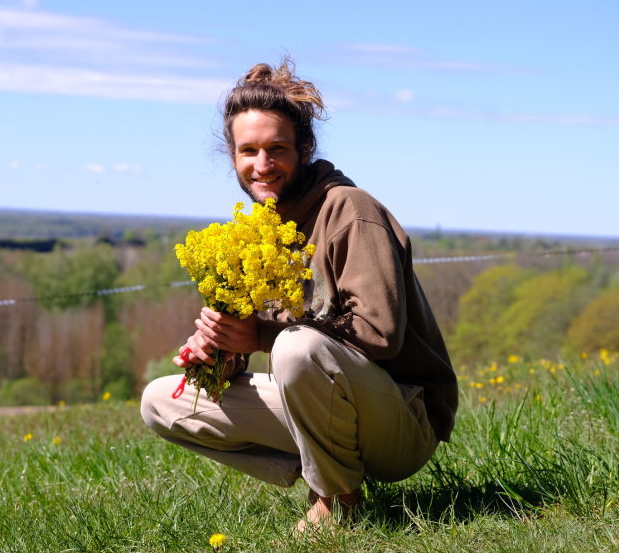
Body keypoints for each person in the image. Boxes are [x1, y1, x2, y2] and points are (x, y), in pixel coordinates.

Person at [140, 57, 458, 531]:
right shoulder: (265, 231)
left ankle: (337, 499)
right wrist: (222, 349)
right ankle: (327, 468)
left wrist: (263, 335)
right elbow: (269, 342)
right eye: (248, 151)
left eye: (277, 149)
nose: (262, 165)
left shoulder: (350, 210)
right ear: (232, 157)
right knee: (162, 401)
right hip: (330, 403)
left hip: (404, 419)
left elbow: (380, 334)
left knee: (295, 347)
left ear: (305, 149)